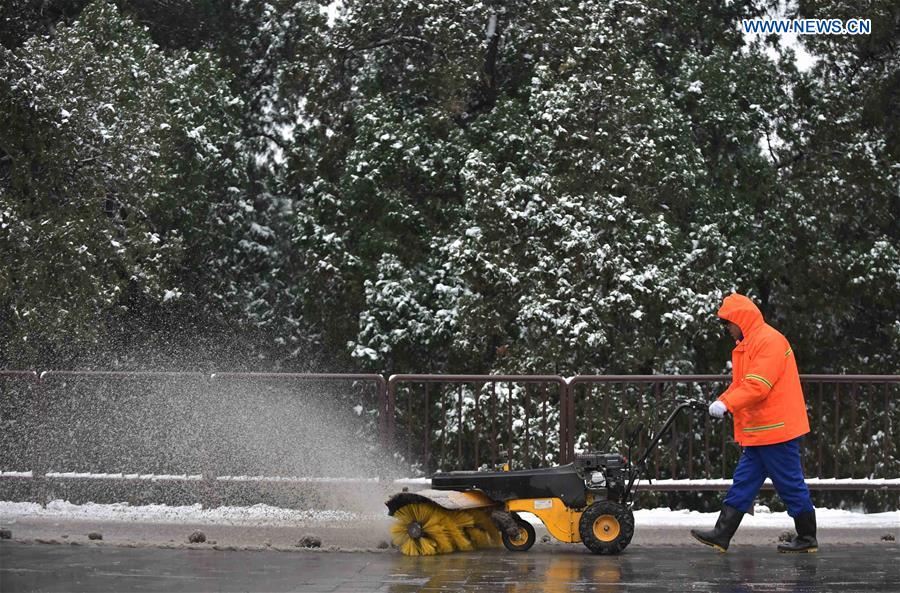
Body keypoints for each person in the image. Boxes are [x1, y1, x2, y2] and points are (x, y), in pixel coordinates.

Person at [690, 293, 817, 553]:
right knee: (744, 483)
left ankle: (807, 537)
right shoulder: (748, 344)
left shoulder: (768, 340)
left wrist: (727, 405)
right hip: (762, 431)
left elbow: (758, 386)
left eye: (727, 323)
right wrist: (722, 401)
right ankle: (721, 534)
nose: (726, 329)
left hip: (777, 430)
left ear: (739, 319)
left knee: (790, 484)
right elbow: (742, 385)